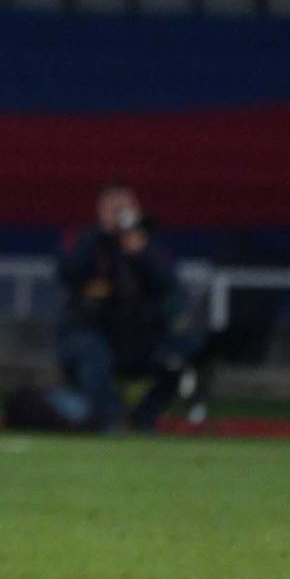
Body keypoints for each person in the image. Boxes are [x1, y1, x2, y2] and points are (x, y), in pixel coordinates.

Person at [56, 185, 198, 433]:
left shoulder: (147, 244)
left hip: (138, 335)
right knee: (92, 353)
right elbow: (68, 273)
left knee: (184, 353)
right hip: (92, 331)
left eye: (126, 208)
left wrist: (141, 253)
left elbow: (169, 284)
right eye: (114, 208)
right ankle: (111, 419)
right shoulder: (83, 240)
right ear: (101, 211)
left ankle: (144, 418)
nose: (120, 215)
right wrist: (100, 234)